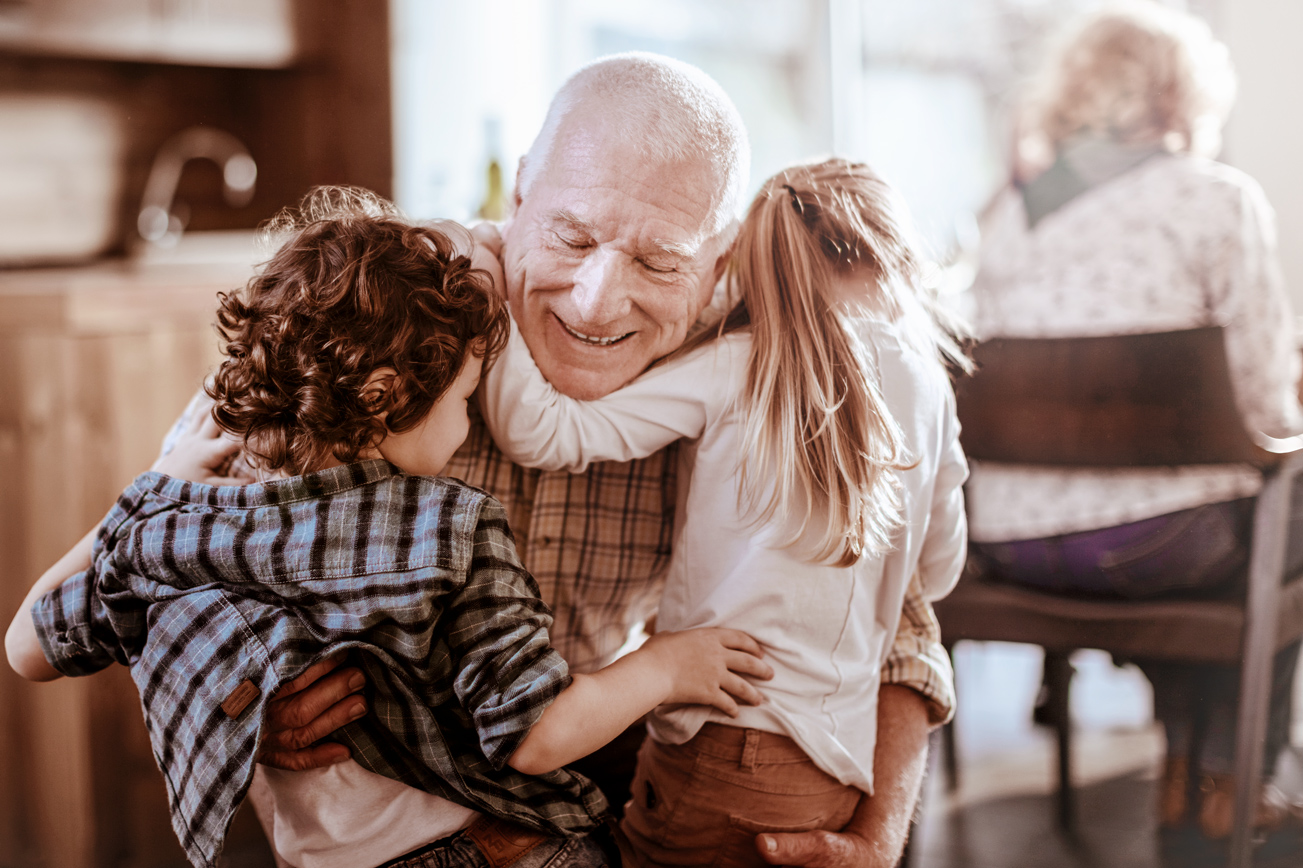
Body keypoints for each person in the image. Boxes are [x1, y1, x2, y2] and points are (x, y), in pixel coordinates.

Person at [63, 53, 955, 868]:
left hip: (586, 785)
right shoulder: (385, 308)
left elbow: (900, 612)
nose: (598, 299)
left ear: (718, 262)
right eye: (570, 238)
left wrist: (876, 834)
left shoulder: (747, 356)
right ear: (520, 191)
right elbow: (151, 550)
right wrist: (238, 693)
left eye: (657, 260)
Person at [5, 188, 774, 868]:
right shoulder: (449, 528)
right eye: (466, 400)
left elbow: (27, 647)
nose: (469, 424)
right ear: (382, 396)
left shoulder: (181, 518)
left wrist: (154, 489)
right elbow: (535, 733)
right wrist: (668, 667)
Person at [477, 157, 969, 867]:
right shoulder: (930, 387)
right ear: (892, 249)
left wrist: (487, 279)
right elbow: (939, 572)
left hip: (718, 741)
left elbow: (539, 431)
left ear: (748, 261)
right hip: (834, 763)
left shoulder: (740, 362)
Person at [964, 2, 1303, 841]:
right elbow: (1263, 411)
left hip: (1004, 544)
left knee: (1215, 512)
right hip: (1156, 548)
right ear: (1184, 97)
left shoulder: (1005, 216)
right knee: (1277, 503)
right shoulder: (1216, 198)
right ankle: (1226, 780)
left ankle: (1188, 768)